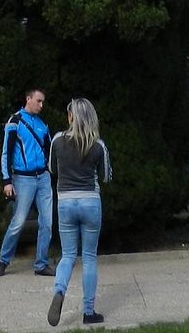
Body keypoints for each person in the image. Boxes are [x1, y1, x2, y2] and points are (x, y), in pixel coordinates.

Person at [46, 97, 112, 327]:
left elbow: (51, 169)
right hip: (90, 202)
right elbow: (106, 176)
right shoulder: (98, 144)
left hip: (65, 202)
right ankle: (88, 312)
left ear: (71, 117)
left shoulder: (57, 140)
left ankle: (59, 291)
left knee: (67, 255)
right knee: (90, 257)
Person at [0, 87, 53, 277]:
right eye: (38, 101)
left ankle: (41, 264)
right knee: (18, 222)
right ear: (28, 99)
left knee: (47, 223)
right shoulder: (15, 122)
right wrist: (6, 181)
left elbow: (51, 152)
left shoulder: (43, 125)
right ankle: (3, 260)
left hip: (43, 177)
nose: (41, 105)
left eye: (43, 101)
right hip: (23, 178)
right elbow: (6, 153)